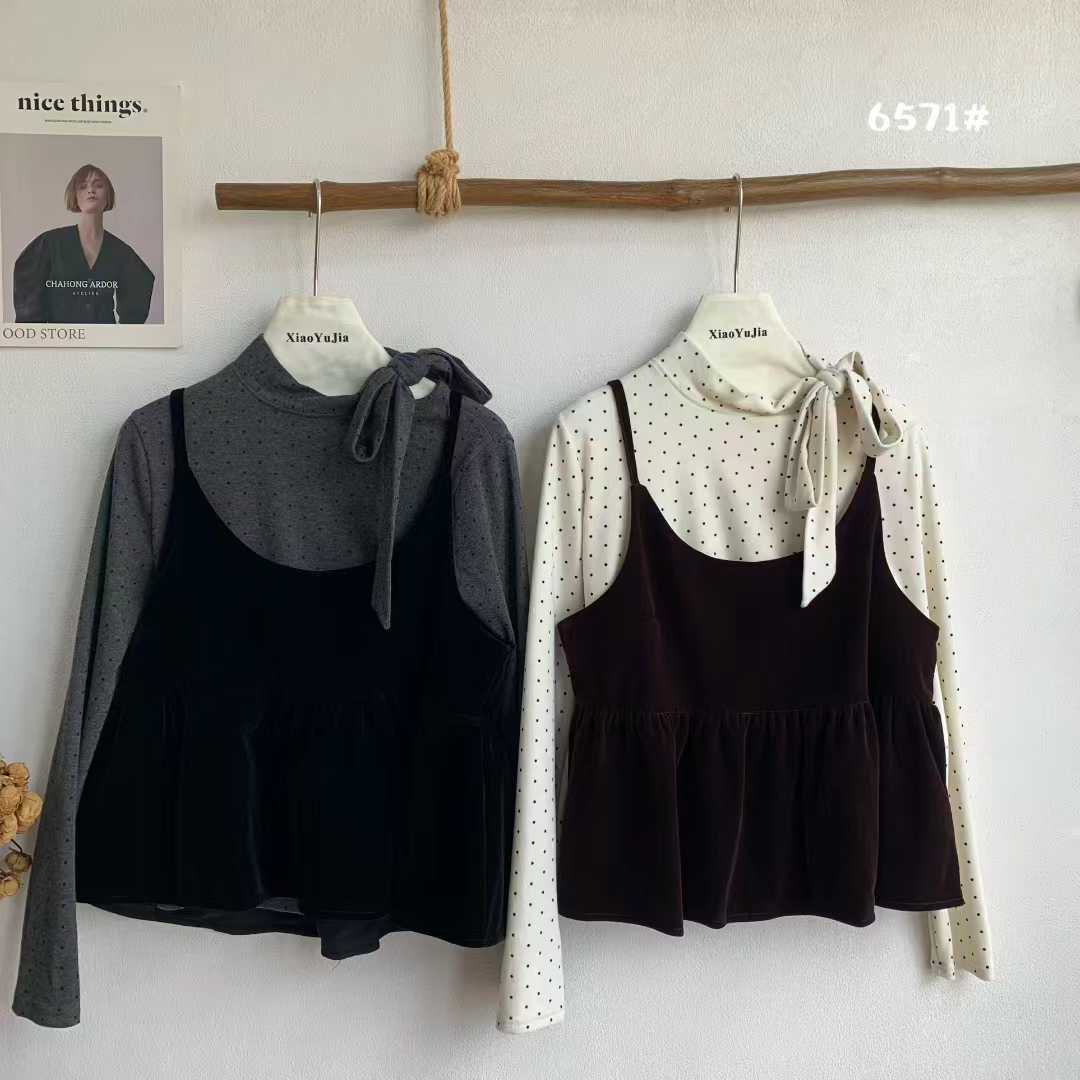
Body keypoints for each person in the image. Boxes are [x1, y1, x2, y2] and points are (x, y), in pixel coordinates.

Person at [13, 163, 155, 324]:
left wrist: (124, 334)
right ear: (74, 196)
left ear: (108, 196)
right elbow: (28, 304)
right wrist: (42, 336)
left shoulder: (121, 252)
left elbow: (140, 286)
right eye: (82, 186)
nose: (91, 190)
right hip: (62, 338)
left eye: (98, 185)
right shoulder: (49, 244)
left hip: (103, 338)